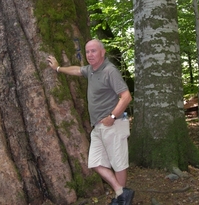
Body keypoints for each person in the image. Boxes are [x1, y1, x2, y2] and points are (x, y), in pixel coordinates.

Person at [47, 39, 134, 205]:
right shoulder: (92, 70)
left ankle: (121, 200)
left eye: (93, 51)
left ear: (103, 52)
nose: (90, 55)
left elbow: (126, 96)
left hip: (114, 125)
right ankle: (122, 193)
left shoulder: (109, 71)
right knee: (94, 162)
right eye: (87, 52)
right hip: (98, 126)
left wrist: (112, 117)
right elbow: (77, 70)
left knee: (119, 163)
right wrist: (58, 68)